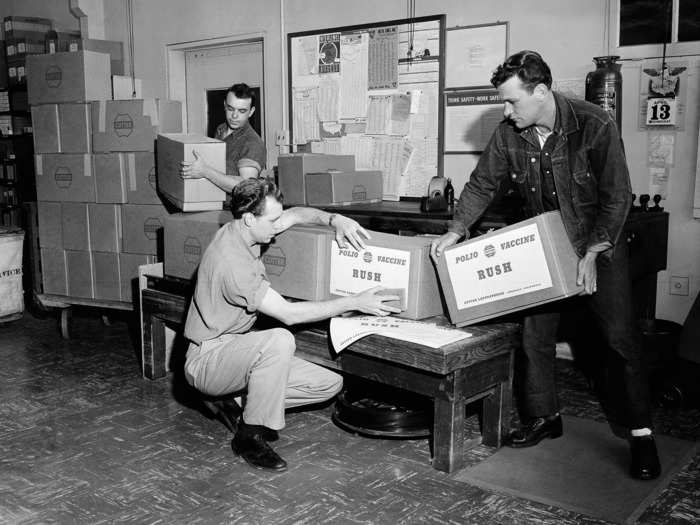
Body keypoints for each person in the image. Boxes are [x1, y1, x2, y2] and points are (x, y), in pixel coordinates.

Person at [430, 50, 661, 480]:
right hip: (546, 243)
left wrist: (593, 253)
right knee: (535, 334)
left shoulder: (595, 125)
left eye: (512, 101)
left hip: (598, 243)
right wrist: (456, 229)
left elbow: (617, 196)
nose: (505, 110)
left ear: (541, 92)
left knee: (618, 339)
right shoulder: (509, 133)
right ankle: (544, 416)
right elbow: (483, 183)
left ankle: (642, 434)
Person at [184, 178, 401, 472]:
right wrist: (354, 302)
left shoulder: (245, 230)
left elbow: (298, 214)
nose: (278, 226)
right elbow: (288, 314)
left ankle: (234, 399)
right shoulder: (232, 264)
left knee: (328, 384)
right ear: (249, 218)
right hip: (208, 358)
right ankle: (248, 436)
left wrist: (336, 220)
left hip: (235, 348)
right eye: (273, 220)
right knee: (280, 339)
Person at [180, 83, 267, 191]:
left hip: (231, 207)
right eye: (231, 109)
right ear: (225, 105)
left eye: (242, 111)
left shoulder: (252, 143)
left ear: (251, 112)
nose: (234, 116)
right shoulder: (221, 129)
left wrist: (205, 171)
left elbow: (246, 187)